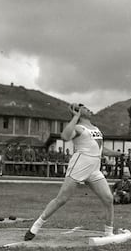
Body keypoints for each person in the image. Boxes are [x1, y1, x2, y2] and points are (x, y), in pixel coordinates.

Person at [25, 103, 120, 241]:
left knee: (108, 198)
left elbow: (100, 149)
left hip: (94, 169)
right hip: (79, 165)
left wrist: (118, 154)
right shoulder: (78, 127)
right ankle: (36, 226)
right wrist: (76, 117)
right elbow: (64, 136)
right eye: (84, 108)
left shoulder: (96, 129)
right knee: (61, 199)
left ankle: (108, 232)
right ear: (79, 111)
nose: (88, 109)